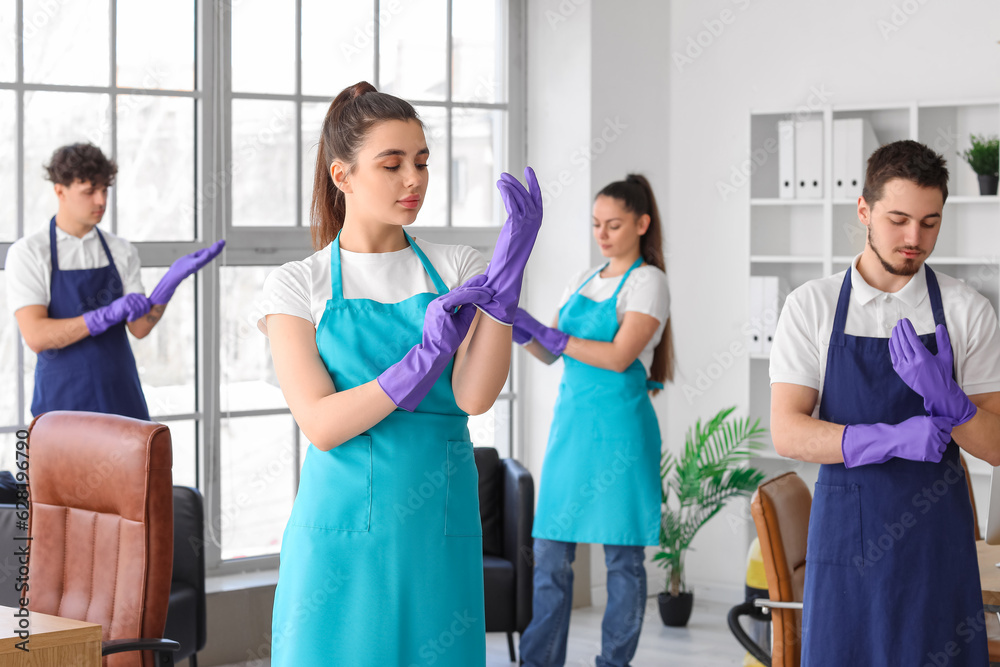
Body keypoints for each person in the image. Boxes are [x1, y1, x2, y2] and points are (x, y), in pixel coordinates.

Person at [258, 81, 542, 666]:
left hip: (436, 528)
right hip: (338, 534)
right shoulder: (296, 283)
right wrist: (421, 361)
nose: (413, 179)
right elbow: (322, 424)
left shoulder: (456, 265)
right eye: (391, 165)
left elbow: (473, 396)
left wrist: (507, 278)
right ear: (343, 176)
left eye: (421, 162)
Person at [770, 139, 1000, 664]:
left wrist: (952, 404)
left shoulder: (967, 311)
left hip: (936, 549)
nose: (914, 238)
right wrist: (892, 437)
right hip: (845, 549)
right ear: (864, 210)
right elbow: (788, 431)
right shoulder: (812, 307)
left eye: (930, 222)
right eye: (898, 219)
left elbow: (997, 446)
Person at [513, 174, 673, 667]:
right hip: (572, 434)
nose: (602, 234)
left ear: (642, 224)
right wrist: (517, 326)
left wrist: (554, 337)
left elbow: (621, 355)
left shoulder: (648, 281)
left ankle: (613, 663)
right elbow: (548, 354)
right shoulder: (582, 279)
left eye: (614, 224)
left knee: (622, 560)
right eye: (596, 224)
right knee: (550, 558)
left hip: (621, 435)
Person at [5, 143, 224, 421]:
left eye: (104, 190)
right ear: (59, 190)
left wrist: (169, 283)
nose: (101, 201)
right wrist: (103, 316)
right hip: (61, 405)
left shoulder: (121, 250)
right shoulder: (30, 253)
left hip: (122, 399)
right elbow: (36, 336)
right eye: (89, 192)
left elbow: (140, 327)